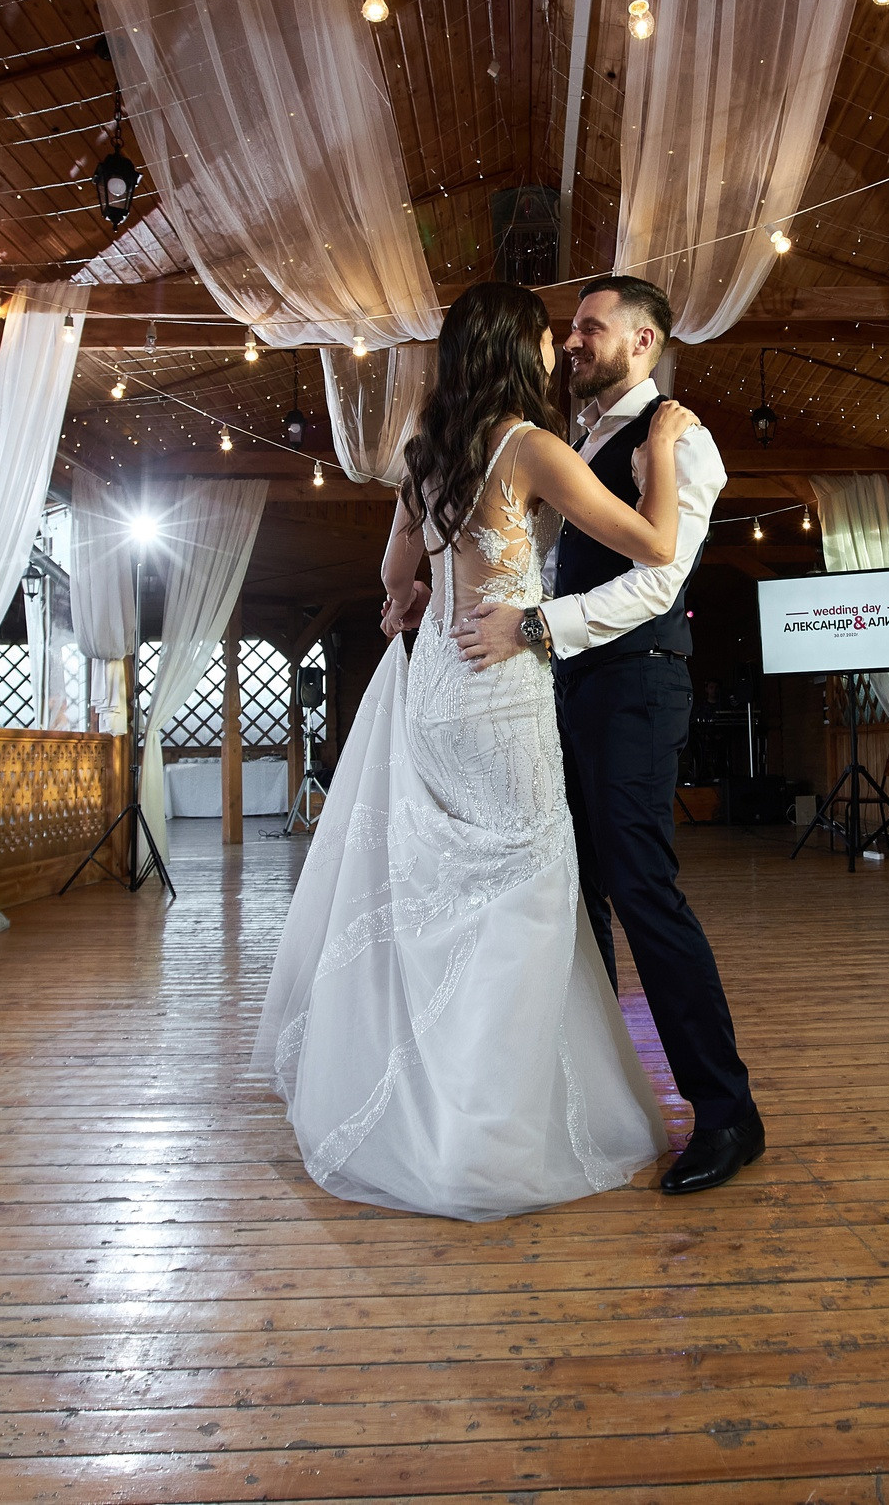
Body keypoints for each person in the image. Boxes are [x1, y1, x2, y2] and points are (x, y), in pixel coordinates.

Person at [253, 282, 701, 1221]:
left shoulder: (426, 454)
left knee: (447, 894)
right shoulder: (528, 446)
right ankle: (484, 1132)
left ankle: (435, 1102)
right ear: (514, 351)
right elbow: (657, 542)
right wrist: (658, 448)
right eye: (546, 338)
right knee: (526, 897)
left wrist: (419, 599)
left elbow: (392, 576)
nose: (556, 351)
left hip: (435, 690)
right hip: (500, 693)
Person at [455, 275, 765, 1196]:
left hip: (634, 689)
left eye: (591, 326)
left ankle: (726, 1113)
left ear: (644, 341)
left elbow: (655, 585)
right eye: (571, 327)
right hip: (563, 692)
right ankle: (580, 1094)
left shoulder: (684, 440)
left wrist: (535, 626)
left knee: (642, 891)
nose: (572, 340)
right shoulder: (577, 440)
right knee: (574, 894)